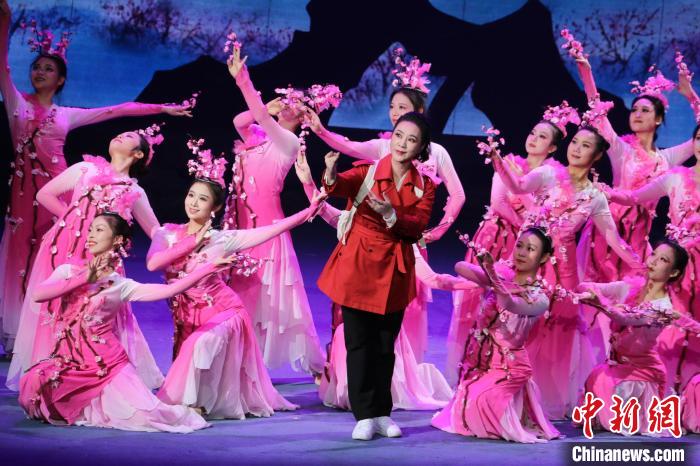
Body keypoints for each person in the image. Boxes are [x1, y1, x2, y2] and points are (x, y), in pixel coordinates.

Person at [0, 0, 191, 353]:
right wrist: (5, 21)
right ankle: (19, 333)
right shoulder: (18, 104)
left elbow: (116, 110)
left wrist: (160, 108)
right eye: (36, 67)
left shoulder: (66, 115)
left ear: (61, 79)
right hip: (30, 195)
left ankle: (69, 328)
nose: (40, 72)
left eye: (48, 68)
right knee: (20, 260)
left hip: (66, 192)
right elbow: (3, 67)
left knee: (67, 261)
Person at [18, 213, 215, 433]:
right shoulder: (67, 271)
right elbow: (38, 294)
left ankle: (182, 412)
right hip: (69, 361)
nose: (91, 235)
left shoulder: (120, 285)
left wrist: (209, 267)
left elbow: (170, 290)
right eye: (90, 229)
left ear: (117, 239)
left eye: (99, 230)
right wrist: (84, 278)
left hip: (107, 365)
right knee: (32, 385)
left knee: (143, 417)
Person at [317, 111, 435, 440]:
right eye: (399, 136)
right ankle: (364, 415)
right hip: (358, 265)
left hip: (394, 269)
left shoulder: (425, 186)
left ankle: (382, 413)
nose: (402, 144)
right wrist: (330, 172)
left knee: (385, 345)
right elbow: (338, 186)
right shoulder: (367, 172)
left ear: (421, 147)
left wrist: (391, 214)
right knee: (358, 343)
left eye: (411, 140)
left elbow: (417, 226)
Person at [432, 228, 560, 443]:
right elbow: (460, 266)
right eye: (519, 246)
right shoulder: (503, 275)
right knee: (468, 402)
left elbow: (509, 303)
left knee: (481, 403)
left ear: (544, 257)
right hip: (480, 362)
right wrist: (494, 276)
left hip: (508, 368)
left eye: (530, 249)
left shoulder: (539, 298)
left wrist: (493, 276)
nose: (521, 253)